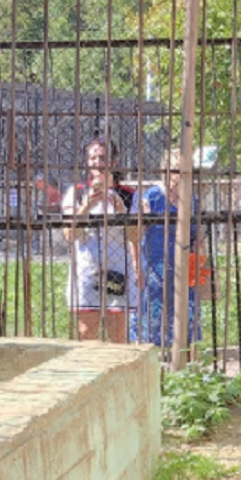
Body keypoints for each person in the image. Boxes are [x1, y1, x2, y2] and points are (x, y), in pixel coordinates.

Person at [61, 137, 139, 343]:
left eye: (102, 157)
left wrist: (123, 211)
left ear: (113, 162)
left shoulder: (129, 195)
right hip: (87, 269)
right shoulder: (76, 193)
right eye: (92, 157)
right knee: (86, 332)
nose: (97, 162)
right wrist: (85, 207)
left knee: (118, 336)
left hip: (118, 269)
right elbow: (69, 234)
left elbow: (135, 236)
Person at [130, 147, 210, 347]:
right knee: (153, 325)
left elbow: (199, 236)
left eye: (185, 170)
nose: (179, 176)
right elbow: (134, 237)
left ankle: (184, 366)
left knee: (186, 326)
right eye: (175, 170)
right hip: (154, 271)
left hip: (184, 272)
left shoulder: (192, 199)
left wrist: (201, 259)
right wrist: (136, 265)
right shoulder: (152, 197)